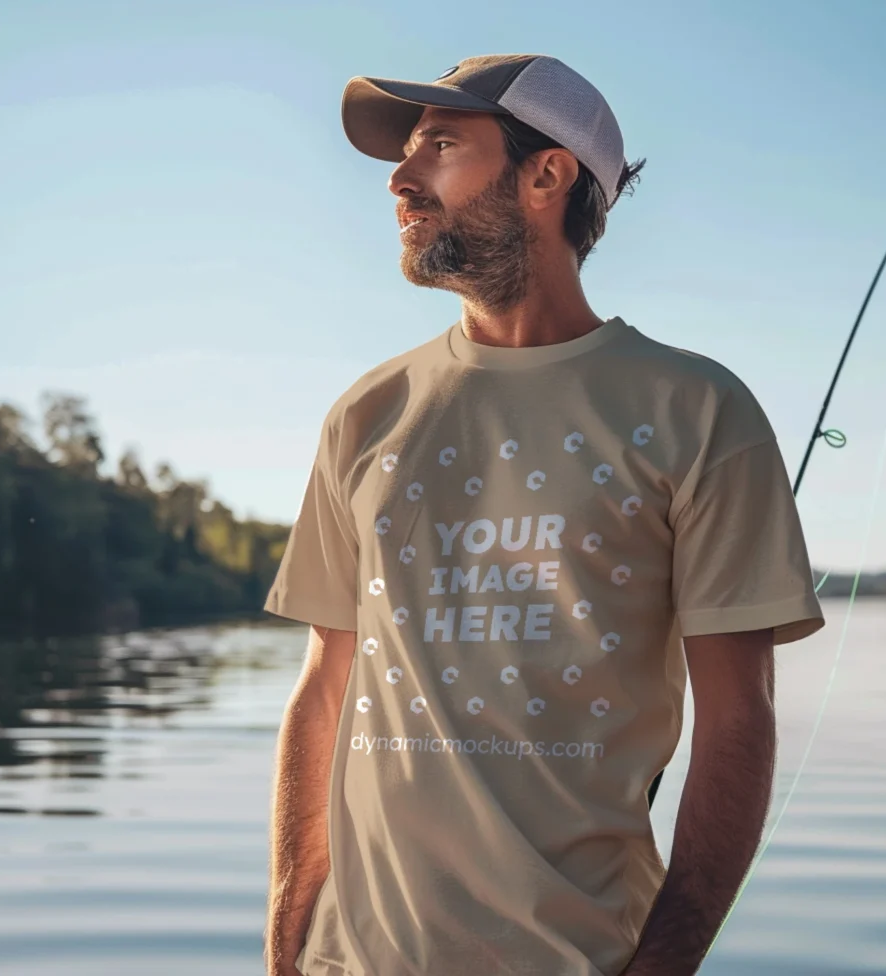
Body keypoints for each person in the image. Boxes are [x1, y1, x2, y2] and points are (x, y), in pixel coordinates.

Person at [263, 53, 825, 976]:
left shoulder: (697, 412)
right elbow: (328, 686)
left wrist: (665, 962)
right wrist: (289, 935)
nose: (401, 179)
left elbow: (739, 719)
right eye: (406, 154)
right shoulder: (366, 413)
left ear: (546, 174)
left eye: (440, 145)